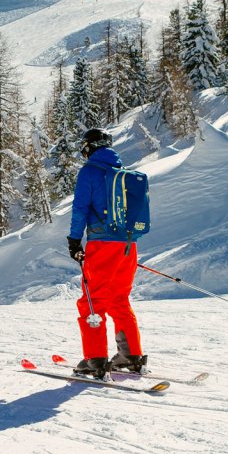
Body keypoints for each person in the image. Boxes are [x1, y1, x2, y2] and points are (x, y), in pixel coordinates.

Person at [66, 128, 146, 380]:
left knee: (92, 301)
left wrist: (74, 240)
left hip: (103, 244)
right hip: (128, 245)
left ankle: (95, 360)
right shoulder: (123, 173)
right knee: (119, 299)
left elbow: (80, 208)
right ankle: (131, 357)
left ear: (89, 147)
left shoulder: (89, 171)